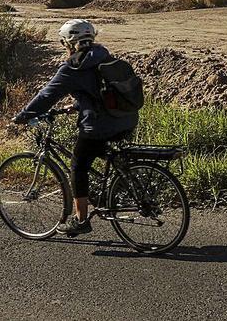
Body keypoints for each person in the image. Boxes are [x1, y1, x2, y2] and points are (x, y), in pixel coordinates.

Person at [13, 19, 138, 236]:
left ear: (68, 43)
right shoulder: (103, 56)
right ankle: (109, 191)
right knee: (100, 154)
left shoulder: (73, 66)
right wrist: (77, 105)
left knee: (78, 165)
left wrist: (24, 116)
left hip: (100, 125)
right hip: (127, 119)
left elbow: (46, 96)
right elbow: (99, 91)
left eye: (64, 43)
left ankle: (80, 220)